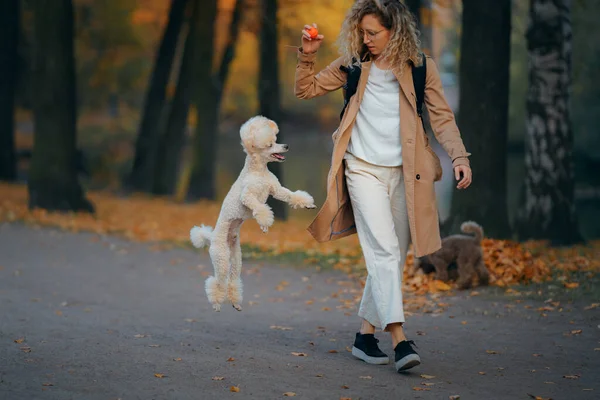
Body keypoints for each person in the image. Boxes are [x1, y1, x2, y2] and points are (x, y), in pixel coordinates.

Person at [294, 0, 472, 372]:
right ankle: (400, 340)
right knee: (384, 251)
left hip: (407, 176)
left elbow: (441, 117)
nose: (367, 39)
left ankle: (364, 336)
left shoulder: (421, 67)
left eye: (373, 32)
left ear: (395, 31)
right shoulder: (354, 66)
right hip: (361, 170)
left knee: (390, 258)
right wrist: (307, 56)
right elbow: (305, 90)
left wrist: (459, 156)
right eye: (362, 32)